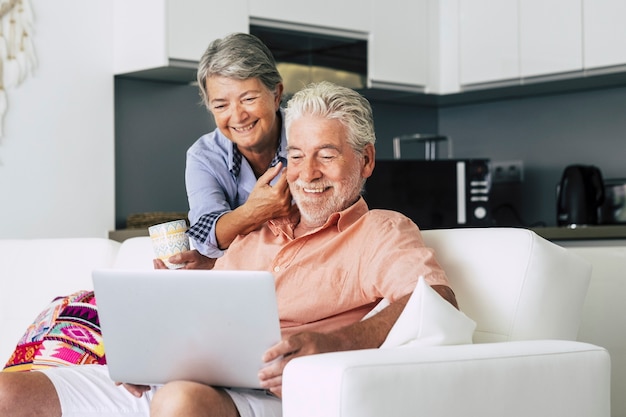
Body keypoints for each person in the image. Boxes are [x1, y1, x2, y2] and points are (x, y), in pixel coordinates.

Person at [0, 81, 457, 417]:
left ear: (366, 160)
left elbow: (435, 302)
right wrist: (150, 351)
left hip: (266, 394)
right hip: (179, 381)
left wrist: (330, 343)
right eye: (296, 156)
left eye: (327, 154)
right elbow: (207, 319)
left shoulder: (381, 231)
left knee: (180, 400)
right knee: (8, 394)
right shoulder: (254, 232)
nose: (308, 172)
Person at [176, 32, 294, 269]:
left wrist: (232, 231)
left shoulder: (307, 134)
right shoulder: (204, 155)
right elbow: (206, 236)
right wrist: (253, 212)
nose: (238, 116)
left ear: (276, 94)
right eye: (221, 105)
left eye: (248, 99)